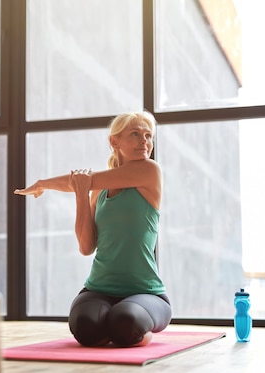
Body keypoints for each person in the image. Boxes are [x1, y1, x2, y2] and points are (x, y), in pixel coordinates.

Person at [14, 111, 172, 347]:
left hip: (146, 293)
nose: (144, 141)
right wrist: (81, 194)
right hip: (98, 289)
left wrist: (44, 184)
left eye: (149, 136)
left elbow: (87, 179)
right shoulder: (98, 191)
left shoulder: (149, 171)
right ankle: (111, 326)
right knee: (86, 329)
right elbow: (86, 247)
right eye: (135, 134)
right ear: (114, 141)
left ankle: (136, 331)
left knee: (125, 323)